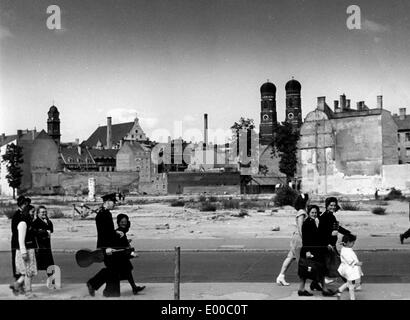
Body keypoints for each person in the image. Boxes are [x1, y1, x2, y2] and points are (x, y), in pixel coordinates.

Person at [86, 193, 123, 297]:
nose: (115, 204)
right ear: (107, 202)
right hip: (106, 246)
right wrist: (107, 248)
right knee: (113, 268)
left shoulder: (105, 213)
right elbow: (104, 233)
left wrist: (116, 233)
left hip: (107, 245)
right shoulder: (104, 214)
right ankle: (94, 284)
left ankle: (110, 291)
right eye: (113, 202)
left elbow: (108, 231)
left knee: (114, 268)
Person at [276, 193, 309, 286]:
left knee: (290, 257)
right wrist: (305, 240)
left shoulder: (301, 211)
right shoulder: (302, 212)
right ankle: (307, 283)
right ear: (305, 201)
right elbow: (301, 227)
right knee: (302, 261)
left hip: (296, 238)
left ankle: (280, 277)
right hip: (299, 239)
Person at [318, 197, 351, 285]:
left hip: (330, 244)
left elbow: (337, 228)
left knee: (329, 264)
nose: (333, 207)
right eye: (331, 205)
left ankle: (316, 283)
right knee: (338, 264)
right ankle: (349, 283)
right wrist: (327, 244)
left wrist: (347, 233)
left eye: (334, 205)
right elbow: (322, 232)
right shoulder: (326, 216)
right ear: (327, 206)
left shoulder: (330, 216)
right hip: (328, 245)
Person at [298, 205, 327, 296]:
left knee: (320, 268)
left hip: (317, 249)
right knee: (305, 271)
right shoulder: (306, 223)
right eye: (312, 213)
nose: (314, 214)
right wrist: (307, 251)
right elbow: (305, 239)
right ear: (309, 213)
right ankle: (301, 289)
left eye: (316, 213)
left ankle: (322, 288)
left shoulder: (317, 221)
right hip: (309, 250)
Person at [112, 214, 145, 294]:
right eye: (122, 222)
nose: (124, 223)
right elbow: (121, 246)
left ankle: (134, 288)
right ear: (118, 222)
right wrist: (132, 253)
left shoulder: (121, 231)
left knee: (127, 272)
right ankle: (111, 289)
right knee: (123, 273)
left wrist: (127, 242)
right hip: (120, 257)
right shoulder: (120, 232)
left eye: (125, 222)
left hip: (121, 256)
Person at [10, 204, 38, 298]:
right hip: (25, 251)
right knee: (28, 273)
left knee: (27, 272)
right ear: (27, 212)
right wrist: (24, 252)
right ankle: (28, 292)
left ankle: (16, 285)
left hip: (30, 250)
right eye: (32, 212)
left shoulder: (29, 222)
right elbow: (21, 240)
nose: (34, 214)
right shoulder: (23, 224)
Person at [336, 234, 364, 300]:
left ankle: (340, 289)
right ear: (348, 242)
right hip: (349, 270)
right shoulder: (345, 251)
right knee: (351, 285)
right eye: (353, 243)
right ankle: (352, 298)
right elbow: (349, 260)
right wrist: (357, 263)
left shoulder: (347, 249)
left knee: (351, 282)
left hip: (351, 269)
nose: (353, 244)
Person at [11, 196, 30, 281]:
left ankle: (21, 281)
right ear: (21, 204)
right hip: (16, 241)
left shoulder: (25, 214)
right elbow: (15, 231)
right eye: (25, 204)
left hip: (22, 241)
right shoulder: (17, 215)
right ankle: (17, 280)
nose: (27, 205)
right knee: (17, 262)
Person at [31, 206, 55, 277]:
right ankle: (24, 282)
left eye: (45, 212)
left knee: (49, 265)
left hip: (47, 246)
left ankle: (52, 282)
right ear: (38, 213)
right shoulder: (35, 222)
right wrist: (44, 232)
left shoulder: (48, 221)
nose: (44, 213)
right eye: (42, 212)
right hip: (40, 247)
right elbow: (34, 233)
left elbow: (51, 230)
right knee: (36, 266)